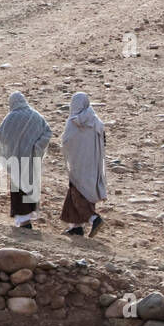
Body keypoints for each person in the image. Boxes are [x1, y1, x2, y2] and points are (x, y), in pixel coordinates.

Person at [0, 92, 52, 230]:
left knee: (18, 187)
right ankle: (28, 218)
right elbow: (47, 132)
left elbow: (1, 136)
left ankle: (23, 220)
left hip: (15, 159)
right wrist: (36, 147)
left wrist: (12, 146)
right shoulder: (35, 115)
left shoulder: (9, 118)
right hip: (31, 158)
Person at [59, 91, 108, 237]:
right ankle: (76, 227)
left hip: (78, 163)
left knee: (77, 192)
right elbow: (103, 142)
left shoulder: (73, 122)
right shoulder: (96, 122)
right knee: (84, 191)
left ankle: (94, 218)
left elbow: (66, 141)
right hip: (93, 163)